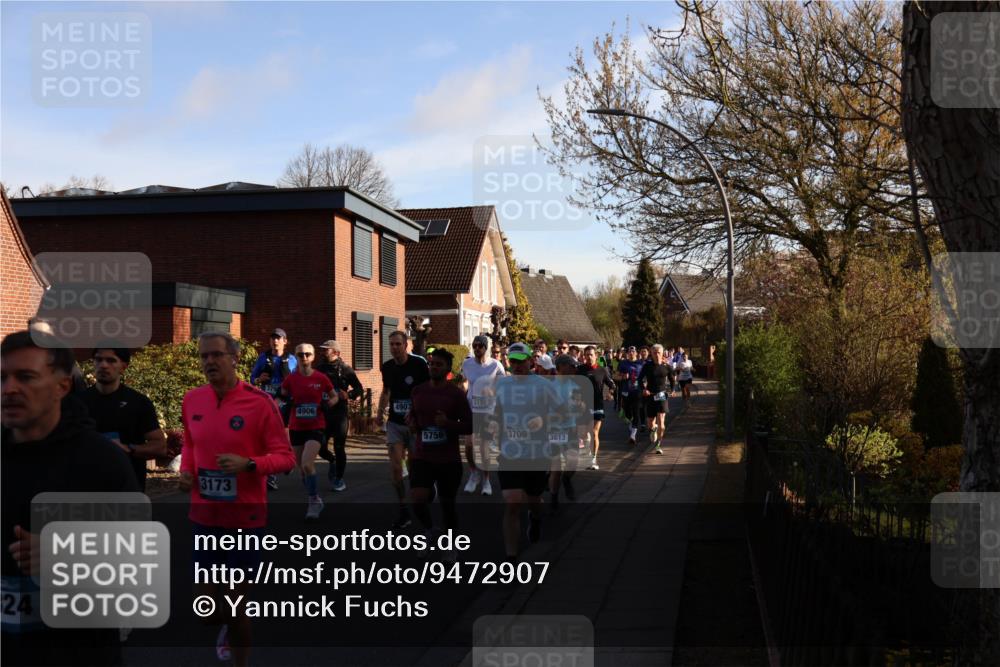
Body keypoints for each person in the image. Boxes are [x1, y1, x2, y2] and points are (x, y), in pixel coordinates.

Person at [2, 331, 140, 667]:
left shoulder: (102, 462)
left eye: (26, 377)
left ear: (61, 387)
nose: (9, 389)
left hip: (78, 651)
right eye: (2, 377)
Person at [179, 332, 296, 666]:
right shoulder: (192, 400)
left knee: (235, 606)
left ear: (235, 358)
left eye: (216, 355)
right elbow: (190, 444)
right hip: (204, 517)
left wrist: (250, 464)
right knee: (206, 611)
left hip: (244, 520)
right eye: (204, 357)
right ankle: (226, 627)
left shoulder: (259, 402)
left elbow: (285, 457)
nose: (209, 362)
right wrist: (187, 472)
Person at [490, 342, 564, 560]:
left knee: (534, 500)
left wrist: (544, 419)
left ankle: (535, 516)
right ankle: (511, 558)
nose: (517, 365)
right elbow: (497, 412)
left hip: (536, 453)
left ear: (531, 361)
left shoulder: (544, 385)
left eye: (521, 361)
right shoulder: (502, 385)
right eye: (513, 361)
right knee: (512, 501)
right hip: (509, 453)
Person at [407, 347, 474, 556]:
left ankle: (451, 544)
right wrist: (412, 424)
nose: (434, 367)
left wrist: (448, 424)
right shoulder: (418, 391)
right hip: (422, 455)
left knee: (447, 504)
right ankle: (429, 530)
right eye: (432, 364)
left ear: (447, 370)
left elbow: (470, 426)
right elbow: (414, 417)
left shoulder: (456, 394)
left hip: (448, 458)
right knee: (417, 499)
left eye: (439, 364)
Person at [81, 345, 167, 491]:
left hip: (127, 490)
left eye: (111, 361)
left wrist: (128, 449)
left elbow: (160, 446)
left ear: (123, 367)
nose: (103, 365)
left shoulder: (138, 402)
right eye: (98, 360)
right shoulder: (77, 402)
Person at [377, 330, 430, 530]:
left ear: (406, 345)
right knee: (396, 468)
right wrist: (380, 411)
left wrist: (419, 413)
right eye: (391, 344)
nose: (394, 348)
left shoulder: (418, 365)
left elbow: (426, 391)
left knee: (416, 467)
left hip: (415, 424)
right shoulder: (387, 367)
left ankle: (423, 491)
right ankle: (403, 510)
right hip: (395, 424)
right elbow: (386, 391)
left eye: (398, 344)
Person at [281, 344, 338, 520]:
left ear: (312, 357)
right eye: (300, 354)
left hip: (316, 426)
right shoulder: (291, 379)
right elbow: (281, 396)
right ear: (296, 357)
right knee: (302, 469)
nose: (304, 357)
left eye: (307, 354)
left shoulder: (321, 378)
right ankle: (314, 497)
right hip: (297, 427)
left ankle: (313, 501)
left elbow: (334, 396)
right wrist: (283, 402)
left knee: (307, 463)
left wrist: (328, 403)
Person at [250, 328, 297, 490]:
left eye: (278, 338)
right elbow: (252, 378)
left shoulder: (291, 359)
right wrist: (258, 378)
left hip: (284, 402)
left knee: (282, 435)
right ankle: (271, 475)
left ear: (285, 341)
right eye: (272, 338)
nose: (275, 341)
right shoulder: (263, 357)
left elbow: (298, 380)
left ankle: (287, 458)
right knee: (266, 435)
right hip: (267, 400)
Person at [315, 340, 364, 492]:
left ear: (336, 352)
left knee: (339, 447)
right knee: (320, 447)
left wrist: (347, 394)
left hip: (339, 414)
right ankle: (332, 460)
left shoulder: (345, 369)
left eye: (326, 350)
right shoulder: (320, 368)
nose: (323, 352)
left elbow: (359, 389)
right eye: (322, 350)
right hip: (323, 414)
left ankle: (338, 478)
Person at [460, 335, 505, 496]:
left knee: (485, 448)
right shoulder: (467, 363)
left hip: (488, 410)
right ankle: (474, 472)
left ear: (486, 348)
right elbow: (465, 381)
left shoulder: (495, 365)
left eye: (480, 346)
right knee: (469, 445)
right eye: (474, 345)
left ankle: (486, 480)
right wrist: (462, 391)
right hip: (471, 408)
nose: (477, 348)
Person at [549, 354, 584, 508]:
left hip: (571, 428)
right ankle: (554, 499)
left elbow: (581, 407)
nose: (574, 368)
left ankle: (567, 479)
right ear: (561, 367)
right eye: (571, 365)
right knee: (556, 467)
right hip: (554, 429)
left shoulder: (575, 385)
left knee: (573, 463)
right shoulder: (550, 386)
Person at [577, 345, 616, 470]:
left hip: (597, 405)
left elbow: (612, 384)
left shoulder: (602, 370)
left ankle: (593, 459)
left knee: (594, 432)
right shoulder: (580, 370)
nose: (589, 357)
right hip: (583, 406)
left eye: (591, 355)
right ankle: (586, 453)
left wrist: (610, 393)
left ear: (596, 356)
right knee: (584, 434)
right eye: (586, 355)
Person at [639, 344, 676, 454]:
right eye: (654, 353)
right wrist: (643, 389)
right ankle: (653, 429)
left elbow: (672, 379)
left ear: (662, 353)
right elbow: (640, 379)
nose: (656, 355)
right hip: (650, 395)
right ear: (651, 354)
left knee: (662, 422)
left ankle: (658, 445)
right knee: (650, 422)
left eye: (658, 352)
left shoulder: (666, 366)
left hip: (662, 395)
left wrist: (673, 390)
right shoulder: (647, 366)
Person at [617, 346, 645, 446]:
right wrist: (623, 376)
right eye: (630, 351)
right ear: (627, 353)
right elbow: (616, 376)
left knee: (636, 411)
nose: (631, 353)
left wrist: (645, 383)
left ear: (636, 353)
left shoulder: (641, 363)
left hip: (637, 392)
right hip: (626, 391)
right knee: (628, 412)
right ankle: (631, 422)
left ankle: (633, 435)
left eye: (633, 351)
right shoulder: (623, 363)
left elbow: (645, 376)